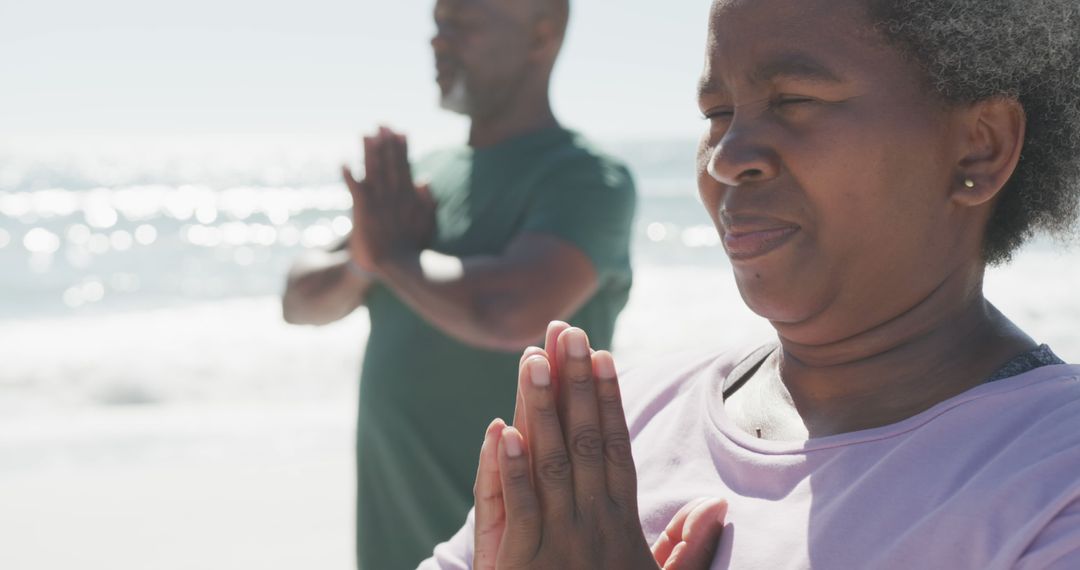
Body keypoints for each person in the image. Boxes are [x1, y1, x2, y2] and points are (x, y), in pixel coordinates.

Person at [422, 0, 1080, 567]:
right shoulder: (626, 422)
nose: (729, 157)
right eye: (716, 112)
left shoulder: (1051, 477)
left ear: (980, 147)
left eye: (794, 100)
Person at [281, 0, 636, 567]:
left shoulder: (586, 179)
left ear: (541, 33)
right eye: (438, 23)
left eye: (463, 22)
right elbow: (298, 300)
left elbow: (509, 310)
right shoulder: (424, 177)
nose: (438, 41)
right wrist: (364, 263)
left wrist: (393, 257)